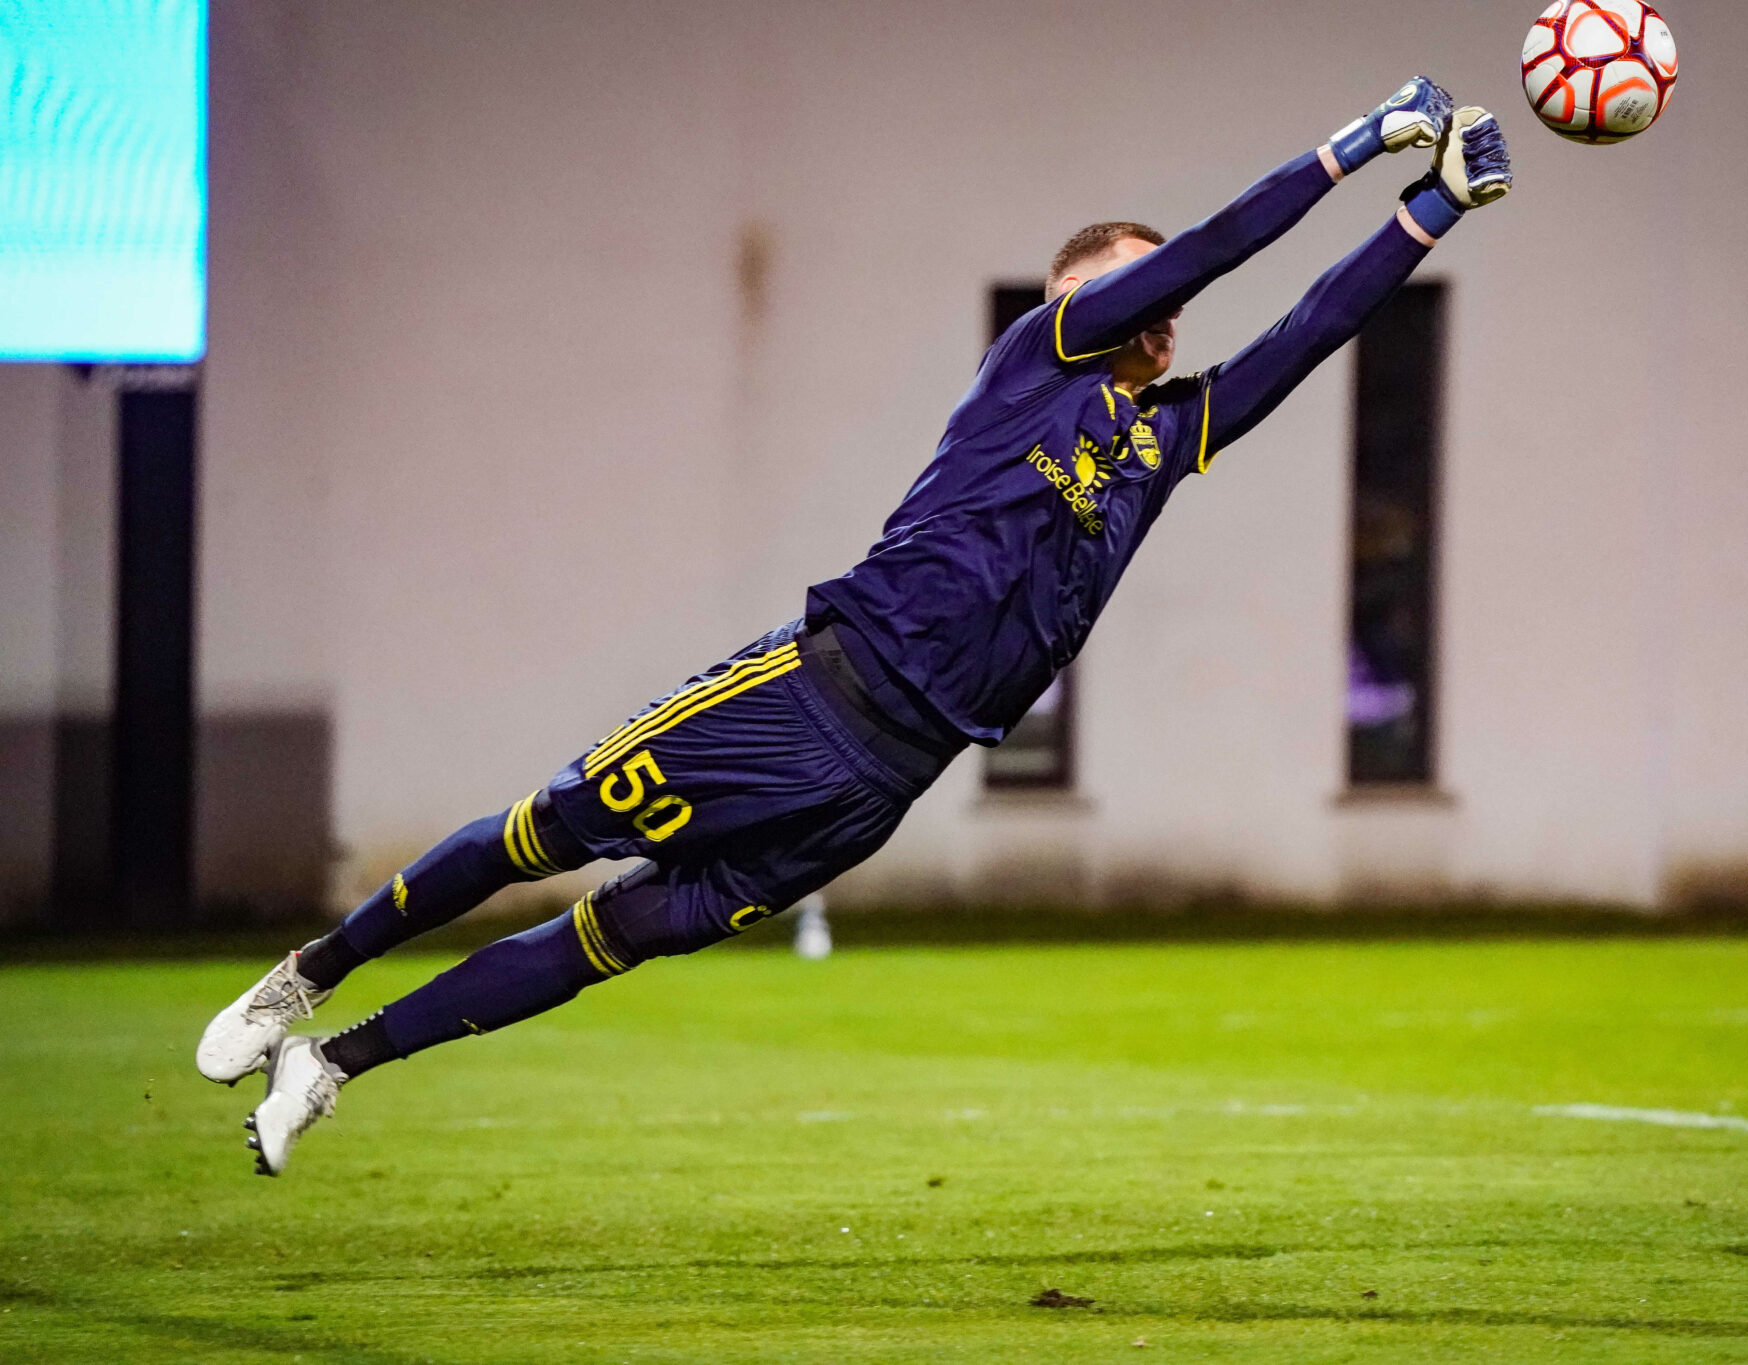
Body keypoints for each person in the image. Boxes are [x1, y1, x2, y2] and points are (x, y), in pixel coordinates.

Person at [199, 83, 1512, 1174]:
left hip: (886, 783)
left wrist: (1435, 207)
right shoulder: (1042, 355)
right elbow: (1215, 254)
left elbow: (1304, 333)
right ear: (1075, 298)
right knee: (542, 833)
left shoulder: (1161, 441)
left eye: (1162, 307)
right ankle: (301, 980)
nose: (1163, 312)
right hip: (809, 694)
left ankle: (334, 1065)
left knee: (613, 941)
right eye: (1135, 288)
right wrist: (1355, 143)